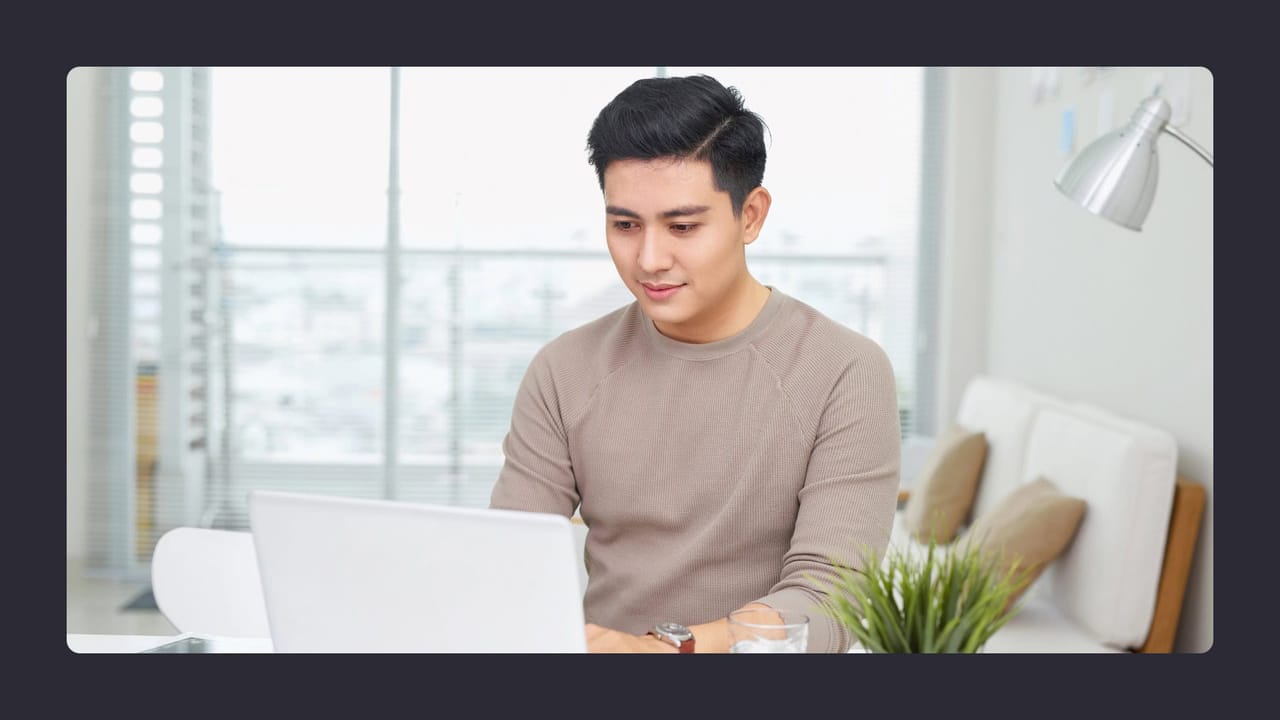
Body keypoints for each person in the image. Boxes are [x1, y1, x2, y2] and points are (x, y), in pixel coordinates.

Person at [489, 74, 901, 653]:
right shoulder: (564, 370)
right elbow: (508, 566)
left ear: (751, 215)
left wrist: (665, 649)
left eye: (682, 226)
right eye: (625, 224)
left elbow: (834, 597)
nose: (650, 259)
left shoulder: (843, 371)